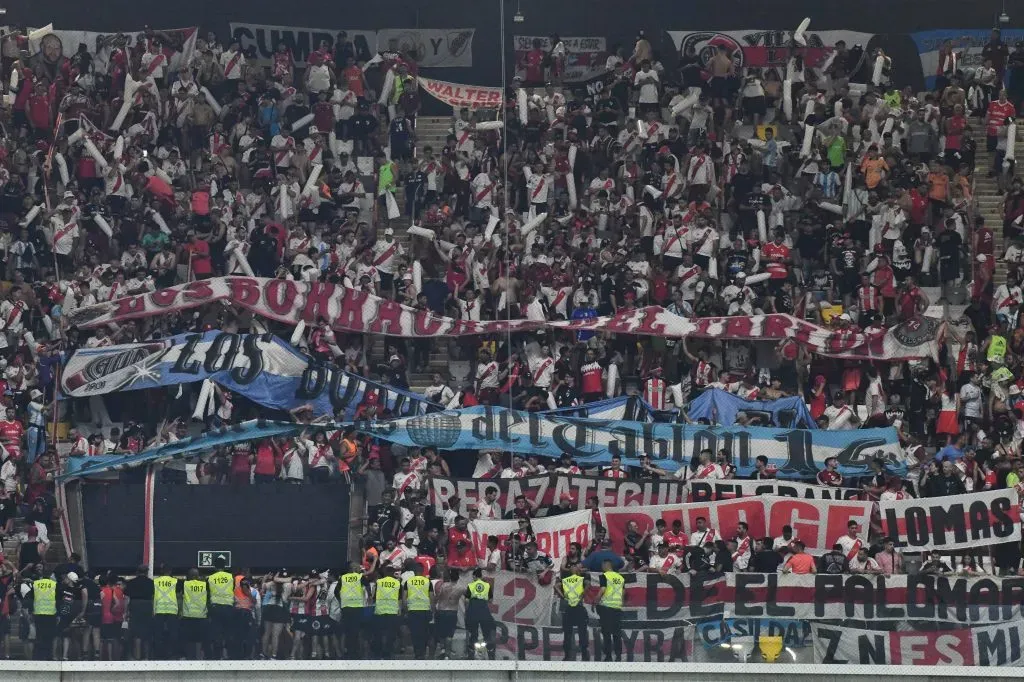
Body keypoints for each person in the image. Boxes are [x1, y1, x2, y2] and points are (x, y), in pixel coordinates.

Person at [555, 562, 590, 661]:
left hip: (570, 607)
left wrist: (562, 596)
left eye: (574, 566)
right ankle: (582, 654)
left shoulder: (566, 580)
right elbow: (588, 584)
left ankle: (568, 655)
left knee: (568, 633)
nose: (573, 567)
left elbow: (556, 586)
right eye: (573, 566)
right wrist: (583, 593)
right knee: (580, 632)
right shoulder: (581, 579)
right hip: (577, 608)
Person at [593, 558, 624, 662]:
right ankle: (618, 656)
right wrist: (620, 603)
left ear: (606, 565)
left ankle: (608, 656)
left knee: (606, 633)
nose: (602, 568)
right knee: (617, 633)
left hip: (606, 608)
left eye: (602, 566)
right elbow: (623, 592)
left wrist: (595, 601)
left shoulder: (604, 576)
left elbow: (603, 589)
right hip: (617, 608)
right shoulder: (620, 578)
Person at [462, 568, 496, 660]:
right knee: (487, 633)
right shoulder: (487, 585)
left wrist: (466, 611)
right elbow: (490, 600)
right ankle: (491, 653)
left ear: (474, 576)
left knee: (473, 633)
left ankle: (472, 654)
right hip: (484, 608)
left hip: (473, 608)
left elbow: (466, 600)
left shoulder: (471, 585)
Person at [336, 562, 367, 659]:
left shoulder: (343, 578)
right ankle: (357, 653)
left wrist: (341, 600)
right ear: (355, 568)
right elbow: (367, 587)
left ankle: (349, 652)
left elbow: (336, 591)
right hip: (357, 607)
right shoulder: (359, 577)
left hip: (346, 607)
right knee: (357, 631)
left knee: (348, 631)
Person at [402, 565, 433, 659]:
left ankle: (417, 653)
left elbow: (404, 598)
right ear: (423, 571)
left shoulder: (408, 582)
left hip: (413, 610)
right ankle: (422, 653)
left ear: (414, 572)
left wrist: (405, 610)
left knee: (415, 633)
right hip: (424, 610)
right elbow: (431, 597)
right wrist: (431, 610)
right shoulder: (428, 582)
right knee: (424, 632)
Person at [371, 565, 401, 659]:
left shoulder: (379, 582)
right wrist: (399, 609)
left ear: (384, 573)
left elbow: (374, 596)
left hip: (380, 610)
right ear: (393, 573)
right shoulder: (397, 583)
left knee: (378, 634)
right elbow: (399, 598)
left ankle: (378, 653)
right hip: (392, 611)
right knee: (390, 634)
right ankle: (387, 653)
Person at [152, 564, 180, 659]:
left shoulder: (156, 581)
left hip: (159, 609)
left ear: (161, 571)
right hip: (172, 610)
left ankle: (158, 655)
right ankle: (172, 654)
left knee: (158, 634)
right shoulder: (175, 581)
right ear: (170, 571)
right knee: (173, 633)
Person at [181, 568, 210, 661]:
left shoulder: (185, 584)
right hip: (201, 615)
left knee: (188, 638)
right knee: (200, 638)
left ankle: (189, 657)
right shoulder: (204, 585)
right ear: (198, 576)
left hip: (188, 615)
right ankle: (199, 656)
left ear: (189, 576)